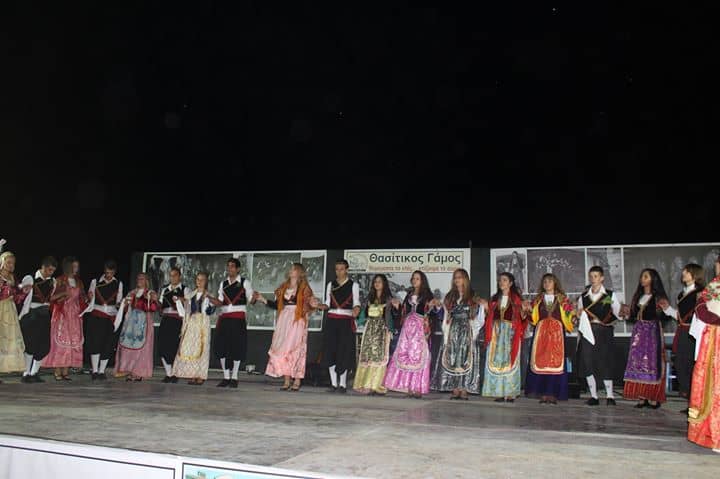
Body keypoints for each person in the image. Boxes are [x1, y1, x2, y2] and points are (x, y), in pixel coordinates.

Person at [255, 263, 317, 391]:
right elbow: (277, 304)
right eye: (291, 269)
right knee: (283, 349)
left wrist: (313, 304)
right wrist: (263, 299)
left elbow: (309, 304)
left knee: (295, 349)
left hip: (297, 319)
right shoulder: (283, 287)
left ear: (299, 272)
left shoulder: (304, 288)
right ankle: (287, 380)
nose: (291, 271)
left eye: (294, 269)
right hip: (284, 320)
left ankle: (297, 380)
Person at [430, 269, 484, 400]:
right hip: (453, 330)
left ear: (465, 279)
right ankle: (455, 388)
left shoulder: (473, 297)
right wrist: (438, 307)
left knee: (465, 358)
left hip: (466, 330)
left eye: (459, 277)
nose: (457, 280)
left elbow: (479, 315)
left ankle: (464, 388)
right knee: (453, 357)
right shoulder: (450, 297)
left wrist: (473, 328)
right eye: (455, 278)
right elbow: (444, 314)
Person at [623, 269, 673, 409]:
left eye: (646, 276)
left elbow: (666, 317)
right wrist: (627, 313)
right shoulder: (638, 296)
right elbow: (633, 316)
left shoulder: (658, 297)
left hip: (652, 333)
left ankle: (653, 397)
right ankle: (642, 397)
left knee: (652, 364)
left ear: (653, 279)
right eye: (642, 276)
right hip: (638, 334)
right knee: (637, 363)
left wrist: (664, 309)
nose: (642, 279)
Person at [383, 270, 437, 398]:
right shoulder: (408, 295)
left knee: (418, 356)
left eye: (417, 278)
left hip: (420, 329)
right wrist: (397, 307)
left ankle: (417, 387)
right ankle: (408, 387)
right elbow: (403, 312)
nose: (414, 280)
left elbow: (432, 313)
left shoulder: (428, 295)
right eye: (413, 278)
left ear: (422, 280)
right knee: (405, 355)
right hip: (407, 329)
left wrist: (432, 307)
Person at [525, 273, 575, 404]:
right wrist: (527, 310)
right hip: (541, 334)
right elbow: (533, 318)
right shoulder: (538, 299)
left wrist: (574, 314)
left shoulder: (562, 299)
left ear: (555, 283)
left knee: (555, 363)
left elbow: (570, 315)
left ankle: (553, 393)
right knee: (542, 362)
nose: (547, 284)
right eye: (545, 282)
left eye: (550, 281)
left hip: (557, 334)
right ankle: (543, 393)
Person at [576, 266, 622, 406]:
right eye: (591, 276)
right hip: (588, 331)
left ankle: (610, 396)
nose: (593, 279)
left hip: (604, 332)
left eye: (596, 276)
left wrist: (614, 317)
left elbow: (617, 313)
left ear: (602, 278)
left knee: (605, 361)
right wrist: (577, 315)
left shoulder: (609, 295)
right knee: (588, 361)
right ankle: (594, 396)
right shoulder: (583, 297)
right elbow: (578, 314)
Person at [658, 263, 704, 405]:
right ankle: (689, 397)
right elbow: (679, 316)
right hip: (683, 331)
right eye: (684, 271)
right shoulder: (681, 294)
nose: (683, 273)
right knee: (680, 364)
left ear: (695, 274)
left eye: (686, 272)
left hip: (694, 332)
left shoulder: (701, 292)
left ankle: (695, 400)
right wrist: (667, 309)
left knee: (691, 364)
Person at [688, 256, 720, 453]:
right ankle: (713, 432)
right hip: (714, 338)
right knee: (713, 383)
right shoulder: (713, 286)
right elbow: (700, 308)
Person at [481, 272, 529, 402]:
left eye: (504, 280)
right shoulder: (495, 299)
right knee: (497, 361)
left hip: (510, 333)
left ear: (511, 283)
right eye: (500, 280)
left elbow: (523, 318)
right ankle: (498, 391)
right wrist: (486, 308)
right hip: (496, 333)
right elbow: (489, 316)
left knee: (510, 362)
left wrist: (525, 310)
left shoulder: (517, 300)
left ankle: (510, 392)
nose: (501, 282)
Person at [317, 259, 360, 393]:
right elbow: (327, 303)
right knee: (331, 351)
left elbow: (356, 303)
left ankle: (342, 385)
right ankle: (333, 384)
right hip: (332, 320)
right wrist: (318, 306)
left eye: (341, 269)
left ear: (347, 270)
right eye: (337, 269)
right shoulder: (331, 284)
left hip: (345, 321)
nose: (339, 272)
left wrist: (356, 309)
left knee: (344, 351)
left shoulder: (354, 285)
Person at [354, 274, 400, 395]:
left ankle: (376, 385)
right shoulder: (370, 298)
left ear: (384, 284)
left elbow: (395, 315)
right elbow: (363, 315)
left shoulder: (389, 299)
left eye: (379, 281)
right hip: (370, 329)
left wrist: (396, 307)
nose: (377, 284)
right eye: (375, 282)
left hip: (382, 329)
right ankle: (365, 384)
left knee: (379, 357)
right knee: (368, 355)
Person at [214, 258, 254, 389]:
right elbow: (220, 302)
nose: (229, 269)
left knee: (236, 347)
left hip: (238, 319)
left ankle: (234, 377)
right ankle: (226, 377)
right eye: (228, 266)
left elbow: (251, 300)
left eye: (232, 266)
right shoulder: (223, 283)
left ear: (238, 269)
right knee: (222, 347)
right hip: (224, 318)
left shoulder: (244, 282)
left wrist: (255, 298)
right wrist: (209, 298)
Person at [45, 257, 86, 381]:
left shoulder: (79, 282)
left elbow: (82, 297)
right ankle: (58, 370)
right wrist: (63, 295)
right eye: (73, 266)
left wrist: (87, 298)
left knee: (72, 341)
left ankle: (66, 371)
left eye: (77, 267)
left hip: (74, 314)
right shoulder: (60, 280)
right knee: (61, 342)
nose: (76, 269)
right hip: (62, 313)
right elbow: (51, 297)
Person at [18, 256, 58, 383]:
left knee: (44, 346)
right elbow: (21, 295)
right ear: (43, 267)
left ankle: (34, 373)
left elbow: (49, 299)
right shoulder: (31, 278)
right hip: (31, 316)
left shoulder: (53, 281)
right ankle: (26, 373)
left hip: (44, 316)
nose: (51, 273)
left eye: (53, 271)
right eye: (49, 270)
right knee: (30, 345)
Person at [172, 272, 215, 385]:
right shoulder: (191, 295)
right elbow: (186, 307)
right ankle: (193, 374)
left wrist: (209, 301)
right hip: (192, 323)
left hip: (203, 323)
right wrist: (179, 300)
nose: (199, 282)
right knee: (191, 348)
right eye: (197, 279)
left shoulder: (208, 295)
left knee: (203, 348)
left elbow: (212, 310)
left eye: (202, 280)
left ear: (206, 282)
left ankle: (200, 375)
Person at [114, 273, 158, 381]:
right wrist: (123, 303)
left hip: (144, 323)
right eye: (138, 278)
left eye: (142, 279)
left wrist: (151, 300)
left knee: (142, 348)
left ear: (146, 280)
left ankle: (138, 372)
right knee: (129, 346)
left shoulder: (150, 293)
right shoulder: (132, 292)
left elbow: (154, 308)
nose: (139, 280)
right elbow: (123, 307)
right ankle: (129, 370)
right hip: (132, 323)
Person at [83, 260, 123, 380]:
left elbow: (118, 301)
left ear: (114, 272)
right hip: (96, 315)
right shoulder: (95, 281)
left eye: (110, 273)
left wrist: (120, 304)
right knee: (95, 343)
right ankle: (95, 371)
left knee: (108, 345)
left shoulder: (118, 283)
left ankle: (101, 371)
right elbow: (89, 297)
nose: (108, 275)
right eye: (106, 272)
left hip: (110, 317)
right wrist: (89, 297)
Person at [0, 250, 31, 382]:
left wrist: (23, 292)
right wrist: (7, 290)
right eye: (8, 262)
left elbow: (17, 298)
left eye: (13, 263)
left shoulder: (13, 277)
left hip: (10, 310)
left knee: (8, 342)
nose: (11, 265)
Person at [158, 267, 189, 383]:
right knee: (162, 345)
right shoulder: (165, 289)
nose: (173, 278)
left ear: (179, 276)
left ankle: (175, 373)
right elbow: (160, 307)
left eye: (175, 275)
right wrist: (156, 302)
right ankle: (168, 373)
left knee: (175, 347)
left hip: (177, 320)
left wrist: (181, 300)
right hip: (166, 319)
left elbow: (188, 305)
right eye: (171, 275)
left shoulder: (185, 289)